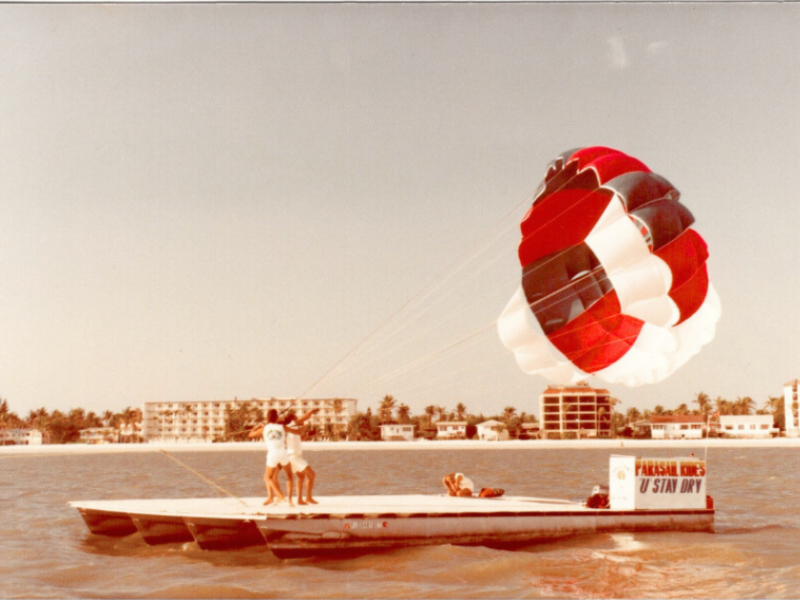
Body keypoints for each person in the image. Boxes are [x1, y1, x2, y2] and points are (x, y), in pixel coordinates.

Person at [248, 409, 303, 506]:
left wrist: (257, 426)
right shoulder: (282, 426)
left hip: (272, 454)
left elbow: (250, 435)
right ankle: (289, 500)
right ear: (277, 417)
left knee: (268, 477)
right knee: (289, 477)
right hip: (283, 453)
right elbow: (298, 432)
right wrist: (304, 427)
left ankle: (280, 495)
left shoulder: (264, 428)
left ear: (267, 418)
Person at [284, 408, 320, 505]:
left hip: (293, 456)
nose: (298, 419)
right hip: (294, 456)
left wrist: (308, 434)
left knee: (301, 477)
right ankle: (308, 498)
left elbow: (300, 439)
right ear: (292, 419)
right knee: (311, 474)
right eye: (296, 417)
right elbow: (305, 417)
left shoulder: (292, 429)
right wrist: (311, 411)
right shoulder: (291, 425)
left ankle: (300, 500)